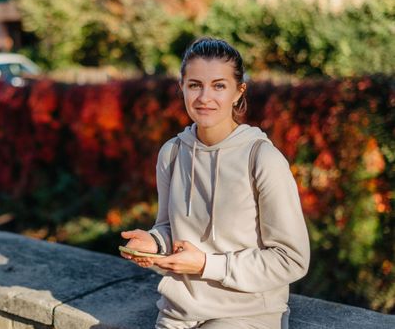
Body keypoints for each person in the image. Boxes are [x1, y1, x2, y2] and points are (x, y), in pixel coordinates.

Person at [120, 37, 310, 329]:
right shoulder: (172, 153)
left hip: (245, 316)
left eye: (219, 86)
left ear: (238, 91)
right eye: (195, 85)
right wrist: (155, 243)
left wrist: (207, 265)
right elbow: (171, 228)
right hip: (177, 313)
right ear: (181, 87)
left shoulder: (262, 159)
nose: (204, 97)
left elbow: (291, 259)